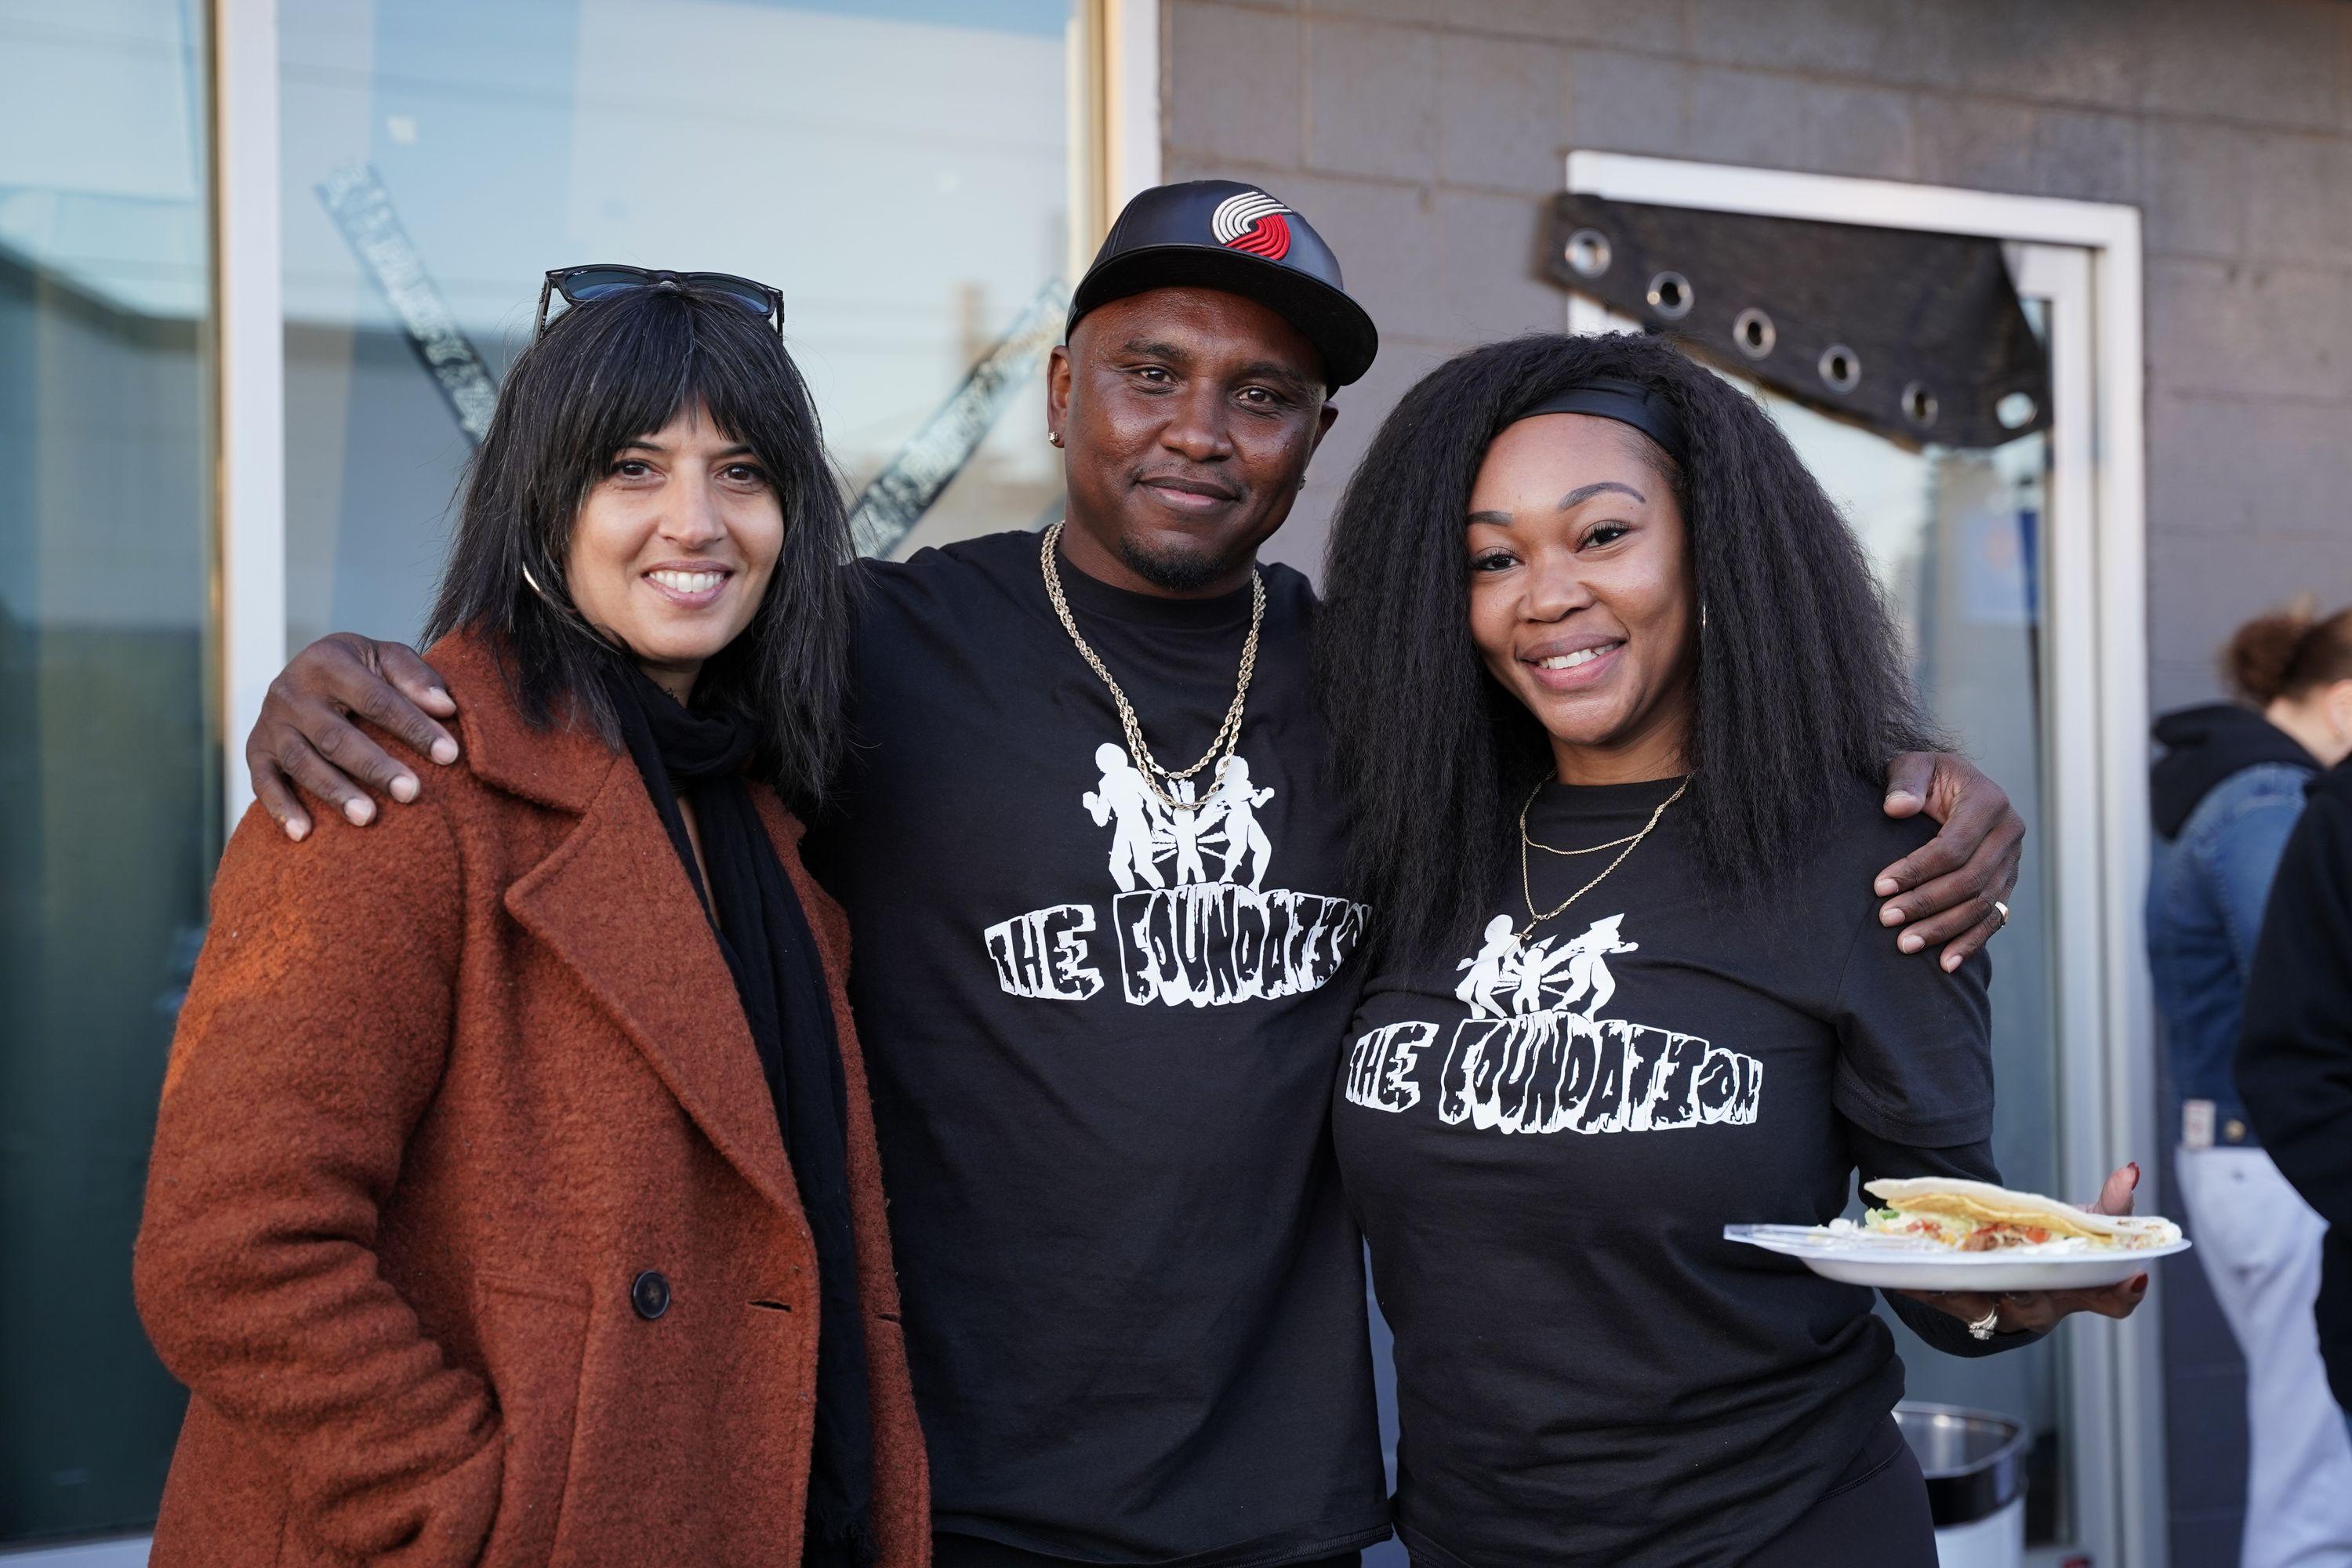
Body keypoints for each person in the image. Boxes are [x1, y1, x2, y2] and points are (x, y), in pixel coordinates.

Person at [227, 184, 2026, 1568]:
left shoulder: (1394, 696)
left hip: (1297, 1510)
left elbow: (1644, 752)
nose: (1198, 428)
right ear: (1062, 381)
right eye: (1151, 372)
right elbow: (626, 668)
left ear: (1314, 439)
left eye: (1264, 394)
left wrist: (1918, 779)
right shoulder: (874, 646)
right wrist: (361, 674)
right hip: (951, 1493)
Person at [132, 274, 927, 1566]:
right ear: (543, 500)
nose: (697, 522)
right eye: (632, 467)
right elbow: (233, 1250)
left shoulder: (767, 811)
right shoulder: (396, 770)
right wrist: (473, 1508)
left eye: (742, 473)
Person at [1315, 332, 2141, 1567]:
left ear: (1716, 550)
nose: (1547, 596)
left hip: (1778, 1535)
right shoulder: (1412, 844)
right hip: (1466, 1539)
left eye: (1603, 535)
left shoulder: (1872, 859)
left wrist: (2019, 1296)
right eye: (1493, 558)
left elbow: (1938, 1245)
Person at [2150, 604, 2352, 1567]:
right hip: (2284, 1161)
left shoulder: (2237, 787)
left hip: (2251, 1157)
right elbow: (2313, 996)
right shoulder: (2275, 799)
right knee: (2320, 1493)